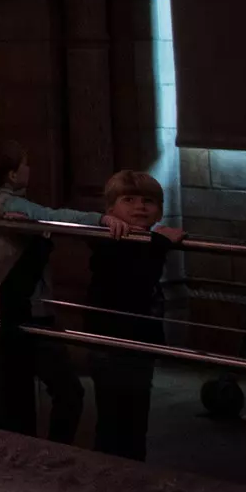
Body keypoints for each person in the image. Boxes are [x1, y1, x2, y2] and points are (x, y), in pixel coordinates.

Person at [0, 135, 126, 443]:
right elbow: (58, 217)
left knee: (9, 391)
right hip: (30, 310)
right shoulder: (11, 206)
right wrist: (101, 219)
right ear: (12, 175)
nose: (30, 168)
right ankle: (56, 453)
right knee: (68, 391)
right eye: (25, 163)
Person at [86, 169, 185, 461]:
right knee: (114, 415)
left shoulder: (144, 242)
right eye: (128, 199)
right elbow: (139, 280)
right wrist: (161, 243)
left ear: (159, 210)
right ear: (111, 209)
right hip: (112, 341)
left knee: (136, 412)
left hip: (138, 341)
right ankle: (112, 471)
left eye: (148, 201)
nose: (140, 207)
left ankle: (131, 470)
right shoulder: (110, 241)